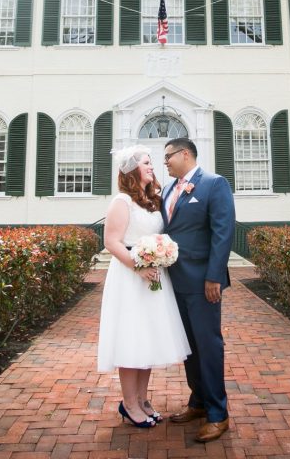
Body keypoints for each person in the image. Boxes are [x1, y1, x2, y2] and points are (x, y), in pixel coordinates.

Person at [97, 145, 191, 428]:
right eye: (147, 163)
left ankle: (141, 399)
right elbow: (111, 242)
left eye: (152, 162)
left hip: (153, 276)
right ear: (132, 170)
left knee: (147, 338)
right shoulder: (121, 202)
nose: (152, 167)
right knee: (131, 338)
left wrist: (160, 254)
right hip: (130, 278)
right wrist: (139, 267)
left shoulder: (152, 200)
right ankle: (129, 403)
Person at [161, 137, 235, 442]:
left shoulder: (214, 184)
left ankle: (219, 414)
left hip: (203, 282)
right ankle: (198, 401)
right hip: (174, 281)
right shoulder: (168, 189)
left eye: (168, 156)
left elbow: (223, 231)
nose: (164, 161)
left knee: (208, 345)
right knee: (189, 348)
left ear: (186, 154)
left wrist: (214, 277)